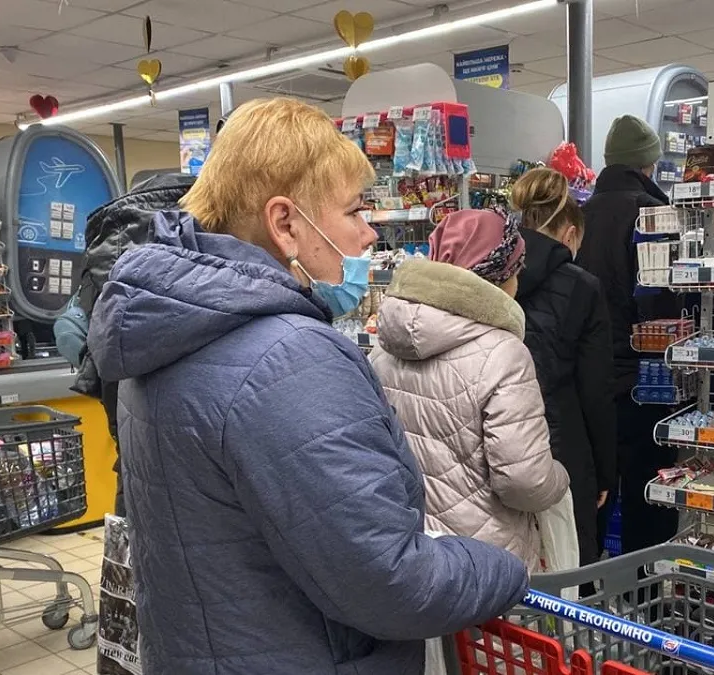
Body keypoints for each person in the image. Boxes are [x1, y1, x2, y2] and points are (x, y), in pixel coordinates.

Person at [86, 98, 529, 675]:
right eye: (353, 211)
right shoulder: (290, 359)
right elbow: (389, 581)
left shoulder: (162, 331)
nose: (368, 233)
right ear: (285, 224)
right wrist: (506, 569)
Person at [369, 209, 571, 569]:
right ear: (500, 276)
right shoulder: (503, 354)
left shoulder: (383, 348)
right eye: (517, 270)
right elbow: (524, 481)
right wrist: (560, 479)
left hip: (410, 546)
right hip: (484, 559)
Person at [63, 113, 232, 518]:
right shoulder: (218, 248)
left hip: (138, 473)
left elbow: (70, 333)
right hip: (214, 495)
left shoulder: (114, 252)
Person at [577, 114, 683, 555]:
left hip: (588, 377)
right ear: (648, 164)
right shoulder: (654, 212)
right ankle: (646, 585)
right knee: (649, 494)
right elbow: (665, 301)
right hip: (645, 378)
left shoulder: (578, 216)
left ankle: (586, 585)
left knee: (595, 494)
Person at [508, 168, 616, 569]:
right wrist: (605, 473)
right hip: (563, 446)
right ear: (570, 234)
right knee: (570, 562)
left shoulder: (492, 273)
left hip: (501, 440)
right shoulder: (582, 287)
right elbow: (596, 389)